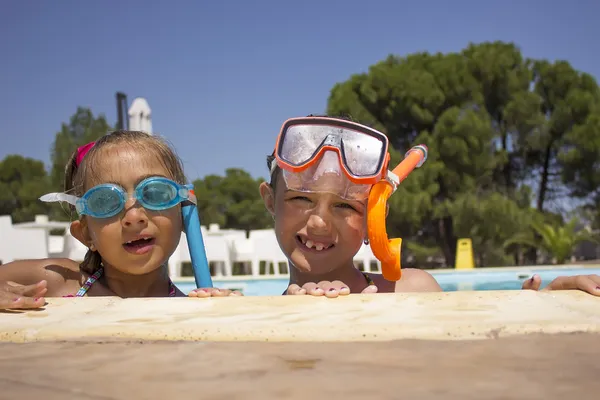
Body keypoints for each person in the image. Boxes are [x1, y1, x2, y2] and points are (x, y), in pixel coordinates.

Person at [259, 115, 600, 298]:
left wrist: (546, 300)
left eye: (345, 206)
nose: (319, 223)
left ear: (373, 218)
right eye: (301, 198)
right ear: (270, 201)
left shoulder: (412, 290)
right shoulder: (252, 311)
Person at [0, 130, 239, 310]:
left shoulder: (193, 309)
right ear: (85, 234)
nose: (133, 217)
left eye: (155, 194)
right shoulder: (57, 281)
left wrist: (231, 313)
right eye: (104, 201)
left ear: (182, 215)